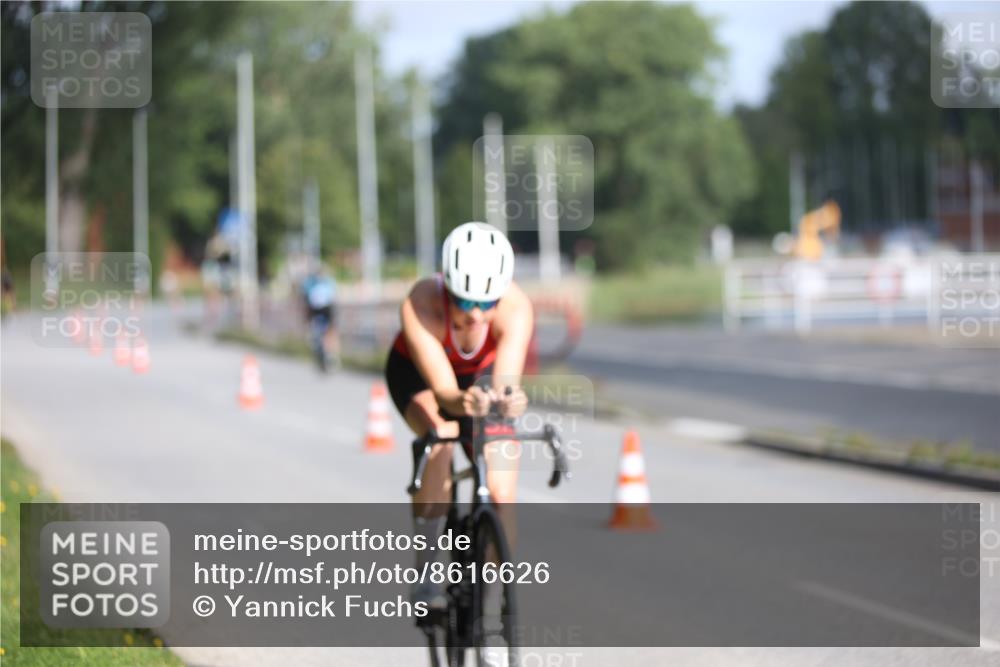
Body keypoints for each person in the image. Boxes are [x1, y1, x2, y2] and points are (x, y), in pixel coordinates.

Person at [384, 222, 533, 608]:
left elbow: (505, 383)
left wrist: (509, 400)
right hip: (420, 376)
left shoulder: (516, 308)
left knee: (502, 490)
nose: (478, 316)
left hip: (478, 378)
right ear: (447, 289)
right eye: (466, 303)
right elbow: (446, 394)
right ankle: (427, 571)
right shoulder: (421, 304)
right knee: (442, 439)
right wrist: (461, 402)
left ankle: (493, 602)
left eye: (488, 303)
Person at [300, 262, 340, 372]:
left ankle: (333, 354)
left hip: (327, 309)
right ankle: (317, 347)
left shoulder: (329, 282)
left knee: (331, 331)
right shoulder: (310, 283)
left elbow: (333, 299)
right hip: (314, 310)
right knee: (314, 330)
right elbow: (305, 300)